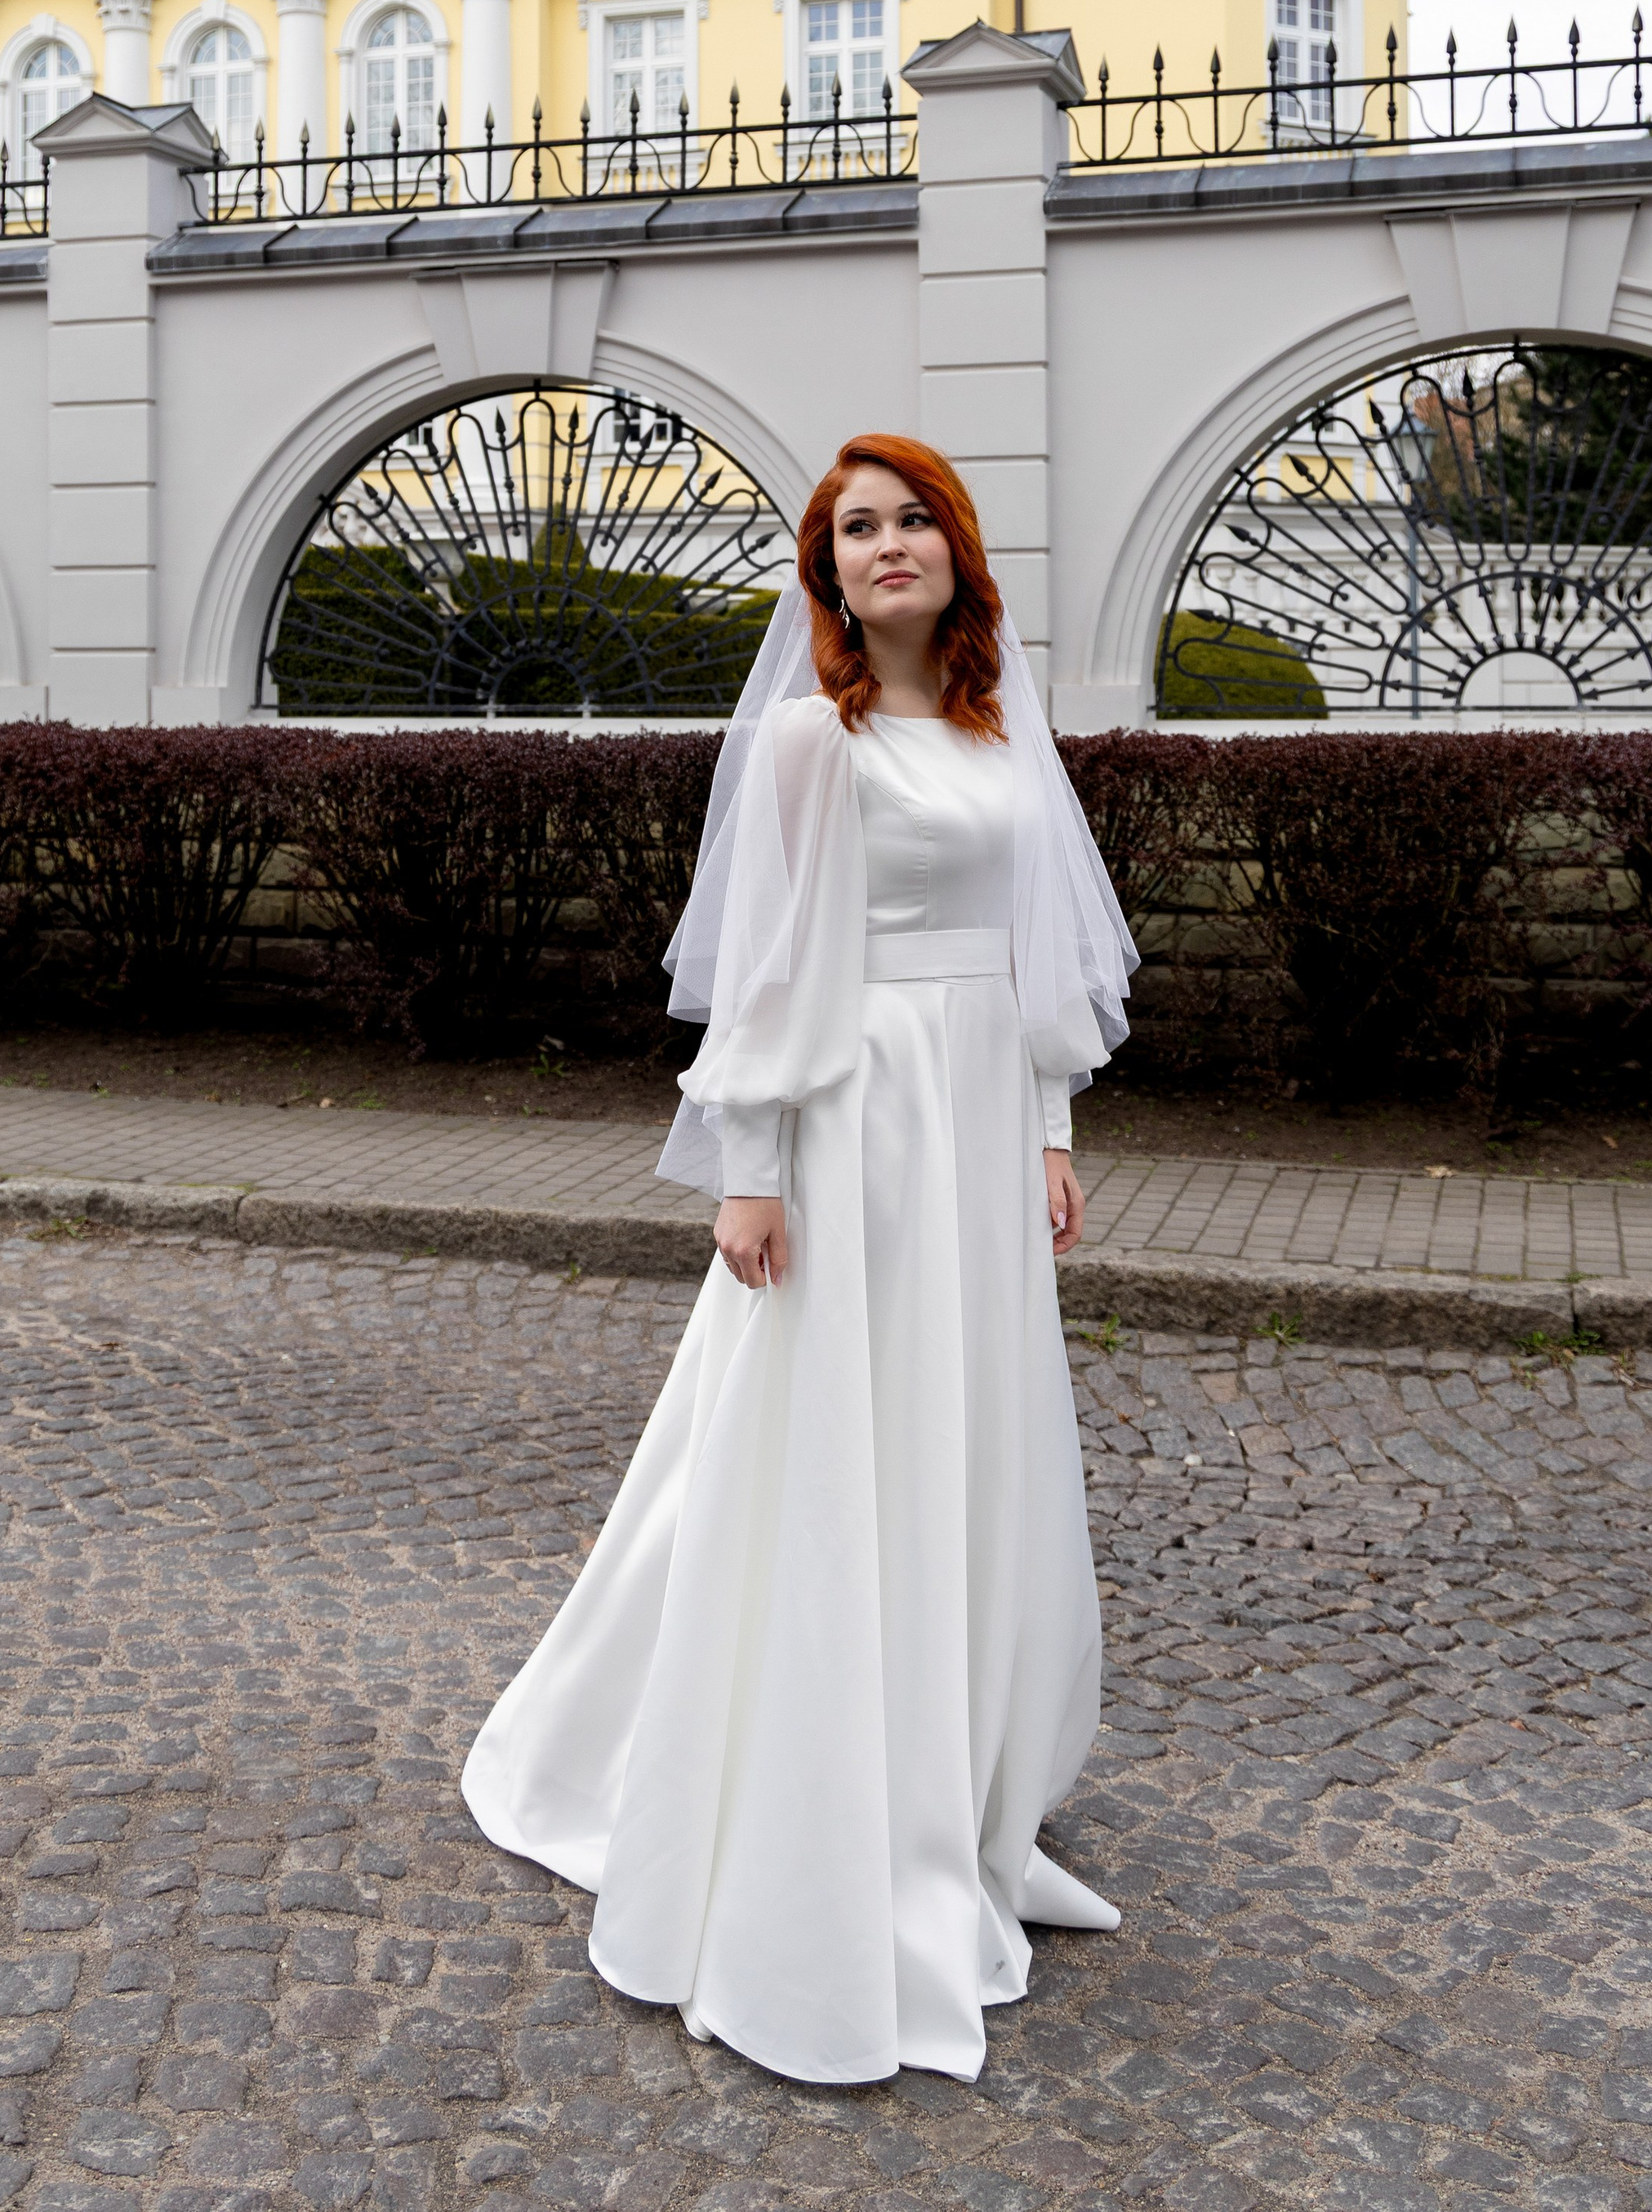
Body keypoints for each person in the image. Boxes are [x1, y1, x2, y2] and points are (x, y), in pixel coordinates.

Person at [461, 434, 1138, 2085]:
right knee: (831, 1442)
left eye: (912, 521)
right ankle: (816, 1797)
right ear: (825, 573)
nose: (886, 545)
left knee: (966, 1441)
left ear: (954, 550)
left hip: (978, 1121)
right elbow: (769, 968)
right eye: (854, 529)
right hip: (855, 1117)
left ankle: (960, 1793)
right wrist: (750, 1171)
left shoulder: (998, 722)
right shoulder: (805, 741)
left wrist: (1050, 1130)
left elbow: (1038, 948)